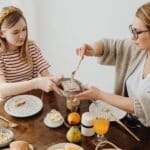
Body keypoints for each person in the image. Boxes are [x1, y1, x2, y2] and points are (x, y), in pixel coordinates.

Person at [72, 2, 150, 127]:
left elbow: (142, 107)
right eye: (132, 30)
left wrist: (100, 95)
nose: (132, 37)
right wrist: (93, 49)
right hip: (127, 123)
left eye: (137, 32)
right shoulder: (139, 49)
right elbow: (110, 46)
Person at [0, 6, 62, 101]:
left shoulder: (31, 47)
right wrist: (36, 83)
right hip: (8, 104)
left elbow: (46, 75)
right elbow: (2, 89)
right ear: (2, 34)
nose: (22, 36)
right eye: (15, 32)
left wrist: (54, 79)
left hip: (32, 100)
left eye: (24, 29)